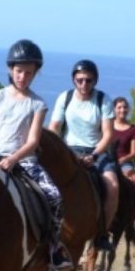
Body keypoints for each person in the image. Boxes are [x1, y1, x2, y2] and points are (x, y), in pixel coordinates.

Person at [0, 39, 71, 271]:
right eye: (19, 71)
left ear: (35, 73)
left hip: (24, 160)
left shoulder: (38, 104)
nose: (22, 77)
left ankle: (52, 246)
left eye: (28, 73)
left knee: (55, 196)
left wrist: (13, 159)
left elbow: (33, 142)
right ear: (11, 69)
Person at [48, 59, 117, 251]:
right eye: (79, 80)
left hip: (96, 151)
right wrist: (62, 150)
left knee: (112, 186)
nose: (84, 85)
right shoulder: (65, 98)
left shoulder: (104, 100)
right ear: (73, 80)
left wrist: (94, 156)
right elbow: (54, 127)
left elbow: (109, 134)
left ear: (95, 80)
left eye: (88, 80)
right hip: (68, 149)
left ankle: (102, 233)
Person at [111, 97, 135, 231]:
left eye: (125, 107)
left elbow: (133, 152)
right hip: (107, 160)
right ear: (114, 109)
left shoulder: (133, 130)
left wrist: (122, 160)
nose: (122, 110)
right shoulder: (106, 125)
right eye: (119, 107)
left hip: (124, 163)